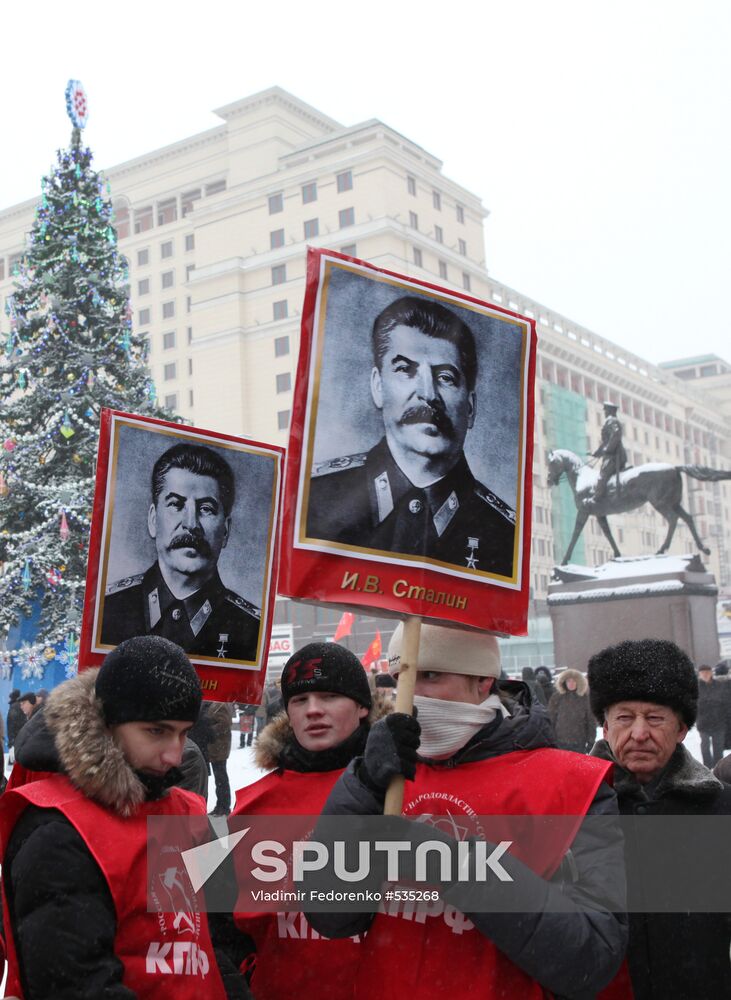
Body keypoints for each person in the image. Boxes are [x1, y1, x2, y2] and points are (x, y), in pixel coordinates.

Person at [306, 622, 627, 998]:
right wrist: (362, 787)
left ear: (483, 680)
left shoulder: (574, 785)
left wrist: (457, 866)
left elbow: (589, 958)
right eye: (399, 680)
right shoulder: (384, 778)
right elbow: (329, 913)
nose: (409, 697)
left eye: (430, 675)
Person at [0, 635, 250, 998]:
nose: (175, 756)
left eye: (183, 734)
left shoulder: (189, 812)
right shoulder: (56, 830)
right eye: (156, 731)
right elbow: (77, 985)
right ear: (108, 723)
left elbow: (219, 943)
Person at [307, 295, 516, 577]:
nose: (428, 394)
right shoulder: (315, 502)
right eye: (405, 370)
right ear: (378, 386)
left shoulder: (505, 536)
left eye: (445, 377)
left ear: (470, 406)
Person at [231, 643, 388, 1000]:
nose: (313, 710)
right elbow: (215, 925)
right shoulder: (252, 803)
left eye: (329, 696)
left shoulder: (402, 792)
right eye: (299, 701)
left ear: (363, 706)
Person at [588, 638, 731, 999]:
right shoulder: (576, 810)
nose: (639, 733)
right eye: (624, 717)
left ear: (682, 730)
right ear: (605, 728)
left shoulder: (719, 808)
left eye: (654, 718)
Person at [101, 442, 260, 661]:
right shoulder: (107, 612)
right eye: (176, 504)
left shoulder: (252, 630)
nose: (191, 523)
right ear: (153, 519)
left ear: (225, 530)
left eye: (206, 509)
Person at [547, 667, 596, 753]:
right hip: (560, 742)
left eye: (574, 681)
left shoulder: (585, 699)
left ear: (578, 682)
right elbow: (551, 719)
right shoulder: (557, 698)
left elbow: (591, 721)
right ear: (564, 682)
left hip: (579, 743)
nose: (571, 684)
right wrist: (551, 739)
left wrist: (591, 741)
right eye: (568, 681)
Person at [593, 401, 627, 500]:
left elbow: (616, 435)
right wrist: (597, 453)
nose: (605, 413)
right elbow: (606, 441)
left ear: (610, 411)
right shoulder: (610, 421)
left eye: (606, 411)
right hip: (612, 454)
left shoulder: (611, 421)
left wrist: (607, 449)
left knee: (602, 477)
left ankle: (597, 499)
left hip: (614, 456)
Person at [696, 664, 728, 768]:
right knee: (705, 746)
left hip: (719, 721)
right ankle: (707, 768)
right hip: (703, 722)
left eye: (707, 672)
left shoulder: (719, 685)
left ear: (711, 673)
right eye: (702, 673)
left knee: (718, 747)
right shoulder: (696, 687)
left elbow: (726, 702)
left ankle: (719, 768)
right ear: (699, 674)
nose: (705, 675)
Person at [207, 700, 234, 816]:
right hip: (216, 747)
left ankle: (224, 806)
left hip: (219, 747)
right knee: (220, 778)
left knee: (221, 778)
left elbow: (224, 724)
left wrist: (207, 729)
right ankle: (220, 805)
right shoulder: (216, 704)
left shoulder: (219, 704)